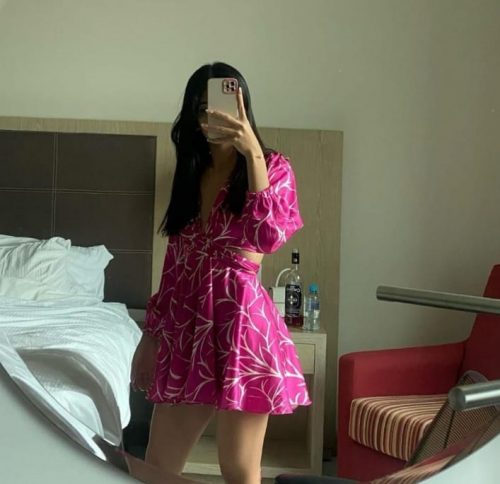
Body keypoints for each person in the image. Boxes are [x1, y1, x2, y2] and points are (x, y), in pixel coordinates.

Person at [131, 62, 311, 484]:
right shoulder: (191, 171)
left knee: (239, 470)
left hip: (241, 327)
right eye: (201, 109)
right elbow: (175, 265)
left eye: (220, 106)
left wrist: (252, 154)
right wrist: (150, 335)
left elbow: (268, 237)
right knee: (156, 467)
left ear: (242, 106)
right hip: (187, 327)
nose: (210, 118)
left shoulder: (273, 166)